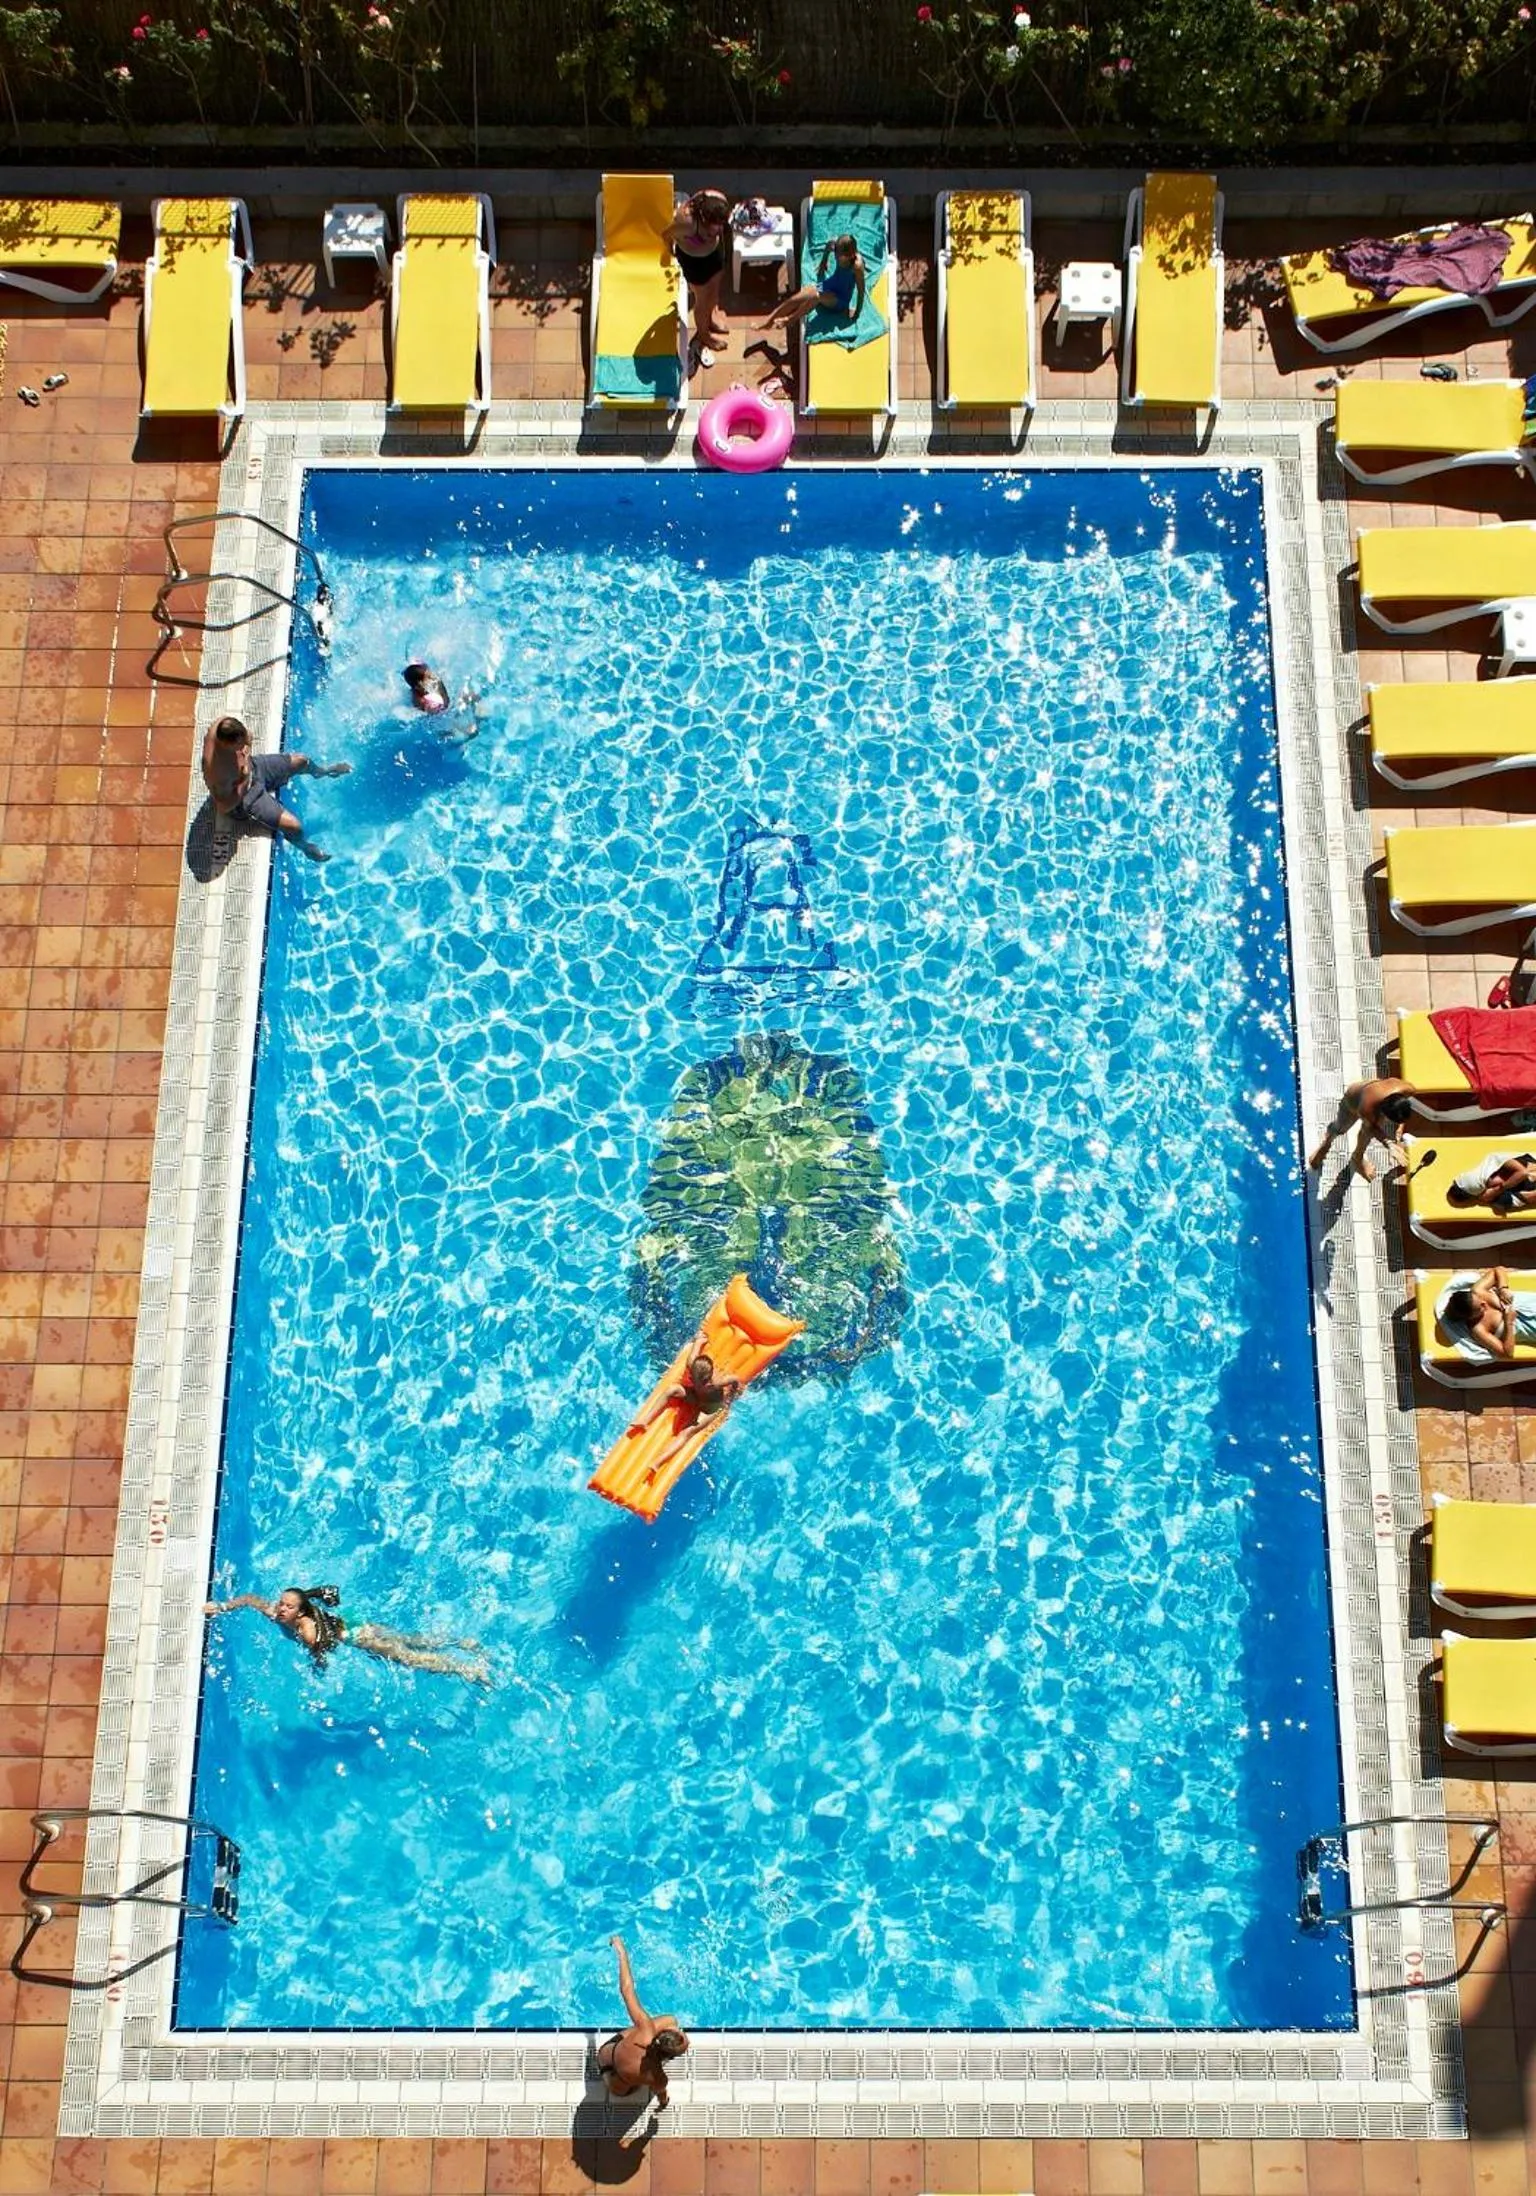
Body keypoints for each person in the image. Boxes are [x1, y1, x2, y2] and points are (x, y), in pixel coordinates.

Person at [204, 1583, 492, 1686]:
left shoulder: (306, 1631)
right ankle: (460, 1643)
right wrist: (223, 1606)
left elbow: (320, 1651)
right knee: (408, 1638)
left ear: (300, 1613)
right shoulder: (278, 1613)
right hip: (349, 1619)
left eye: (287, 1607)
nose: (279, 1609)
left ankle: (464, 1668)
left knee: (406, 1658)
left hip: (355, 1634)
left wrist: (318, 1669)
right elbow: (251, 1599)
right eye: (280, 1603)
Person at [201, 715, 350, 863]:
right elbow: (224, 806)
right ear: (227, 745)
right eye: (240, 746)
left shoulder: (222, 725)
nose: (243, 747)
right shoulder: (217, 772)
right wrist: (244, 780)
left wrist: (247, 751)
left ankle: (321, 772)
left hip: (254, 767)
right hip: (244, 798)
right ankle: (305, 847)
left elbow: (247, 738)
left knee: (302, 761)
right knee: (295, 827)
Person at [628, 1331, 742, 1478]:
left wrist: (700, 1339)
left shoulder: (704, 1373)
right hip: (702, 1403)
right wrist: (731, 1396)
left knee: (680, 1414)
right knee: (681, 1416)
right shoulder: (705, 1374)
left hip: (701, 1403)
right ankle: (650, 1437)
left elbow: (734, 1379)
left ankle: (652, 1443)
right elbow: (734, 1379)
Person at [596, 1935, 689, 2111]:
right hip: (619, 2086)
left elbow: (626, 1989)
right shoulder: (658, 2076)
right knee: (671, 2020)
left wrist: (622, 1953)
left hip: (606, 2054)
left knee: (670, 2020)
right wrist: (663, 2104)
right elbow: (661, 2094)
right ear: (668, 2057)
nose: (680, 2031)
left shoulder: (645, 2029)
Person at [665, 188, 732, 365]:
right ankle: (703, 335)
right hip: (694, 261)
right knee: (702, 301)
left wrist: (715, 237)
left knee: (714, 290)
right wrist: (669, 255)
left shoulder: (718, 200)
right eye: (711, 232)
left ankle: (711, 316)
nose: (717, 232)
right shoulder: (686, 222)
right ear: (702, 220)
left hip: (714, 254)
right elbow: (666, 235)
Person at [1306, 1075, 1417, 1182]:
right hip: (1352, 1103)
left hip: (1374, 1091)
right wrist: (1389, 1144)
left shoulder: (1408, 1089)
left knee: (1367, 1132)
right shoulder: (1367, 1108)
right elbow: (1371, 1128)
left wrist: (1400, 1125)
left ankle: (1357, 1158)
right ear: (1382, 1112)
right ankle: (1326, 1145)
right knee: (1340, 1128)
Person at [761, 231, 866, 333]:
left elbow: (861, 291)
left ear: (850, 255)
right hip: (831, 284)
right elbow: (829, 244)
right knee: (803, 294)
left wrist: (856, 313)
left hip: (840, 299)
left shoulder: (856, 266)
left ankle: (790, 320)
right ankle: (769, 321)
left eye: (840, 257)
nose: (837, 258)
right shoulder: (837, 246)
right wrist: (823, 263)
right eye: (836, 255)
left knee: (816, 296)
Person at [1438, 1267, 1536, 1361]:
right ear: (1470, 1317)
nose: (1484, 1303)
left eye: (1479, 1300)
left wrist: (1503, 1288)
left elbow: (1498, 1270)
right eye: (1480, 1308)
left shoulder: (1478, 1291)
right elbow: (1507, 1354)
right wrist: (1509, 1323)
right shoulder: (1479, 1329)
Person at [403, 662, 481, 745]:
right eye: (428, 678)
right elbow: (445, 707)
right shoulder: (426, 701)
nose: (431, 678)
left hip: (438, 716)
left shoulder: (416, 689)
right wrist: (441, 687)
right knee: (468, 732)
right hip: (441, 720)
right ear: (418, 685)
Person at [1445, 1150, 1536, 1214]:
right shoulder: (1501, 1199)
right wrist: (1498, 1190)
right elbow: (1530, 1195)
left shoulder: (1496, 1159)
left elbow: (1523, 1173)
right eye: (1489, 1182)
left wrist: (1501, 1187)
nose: (1497, 1179)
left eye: (1491, 1177)